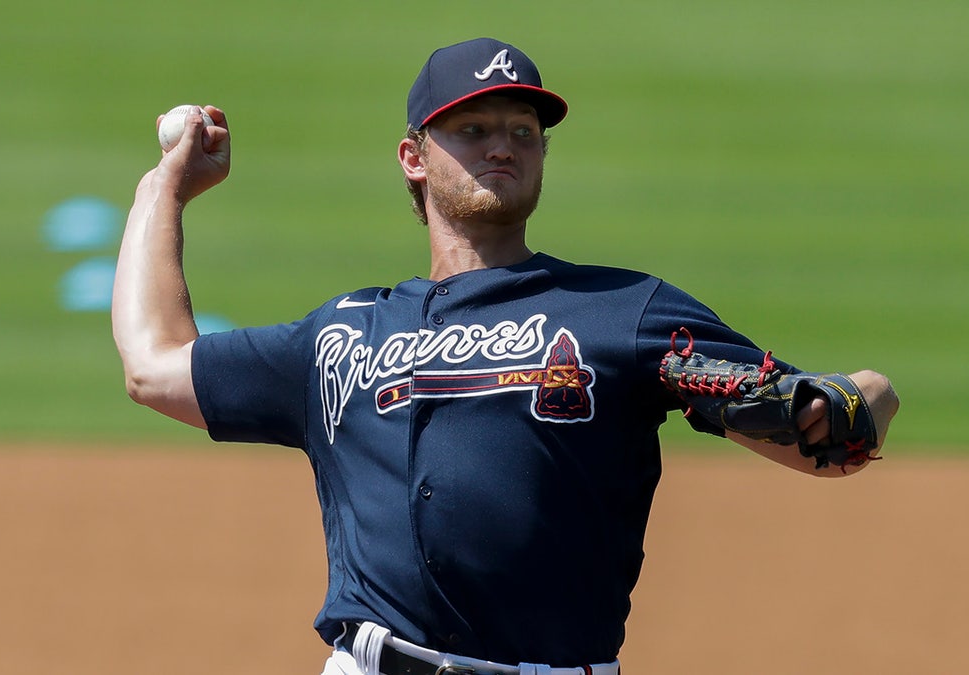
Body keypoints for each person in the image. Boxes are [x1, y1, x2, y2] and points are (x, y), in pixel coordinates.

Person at [112, 37, 899, 675]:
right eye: (474, 129)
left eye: (523, 132)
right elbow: (154, 364)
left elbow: (827, 430)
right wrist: (164, 191)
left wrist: (854, 398)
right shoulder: (341, 336)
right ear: (414, 157)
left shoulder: (624, 312)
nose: (504, 147)